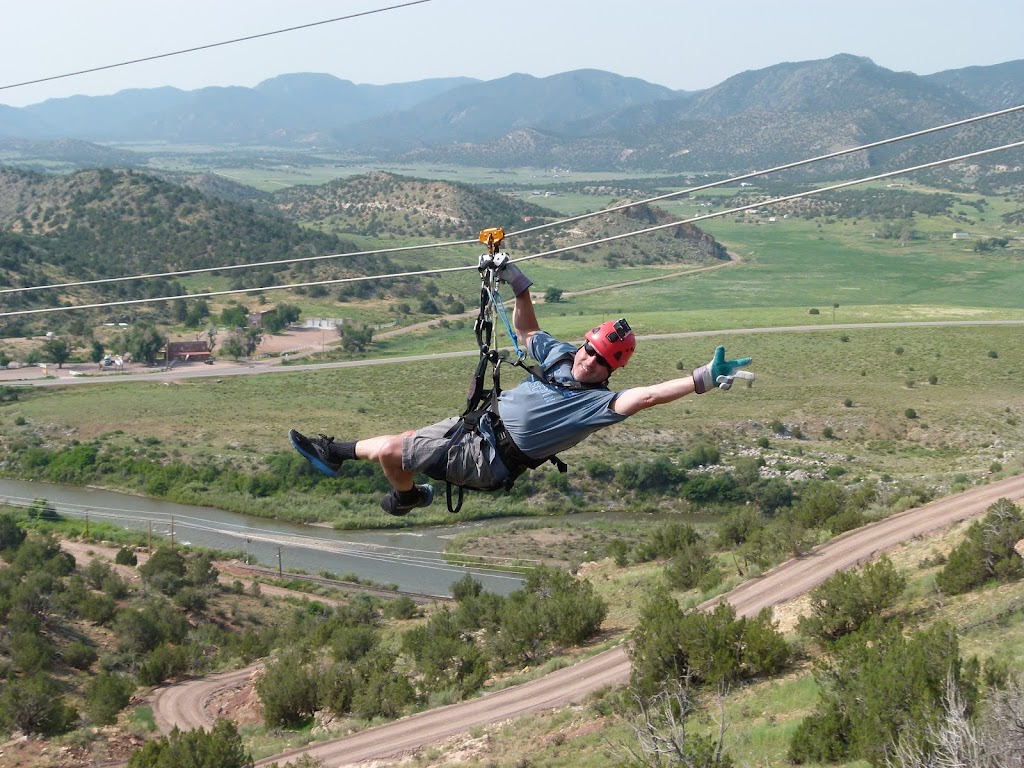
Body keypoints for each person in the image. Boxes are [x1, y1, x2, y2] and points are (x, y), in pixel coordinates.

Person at [289, 258, 754, 515]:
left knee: (394, 451)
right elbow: (529, 332)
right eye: (589, 349)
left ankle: (405, 496)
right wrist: (518, 284)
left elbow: (646, 397)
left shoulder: (595, 404)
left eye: (599, 360)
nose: (588, 361)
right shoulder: (560, 357)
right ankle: (337, 454)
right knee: (401, 443)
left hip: (489, 459)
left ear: (611, 370)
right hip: (474, 429)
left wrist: (701, 380)